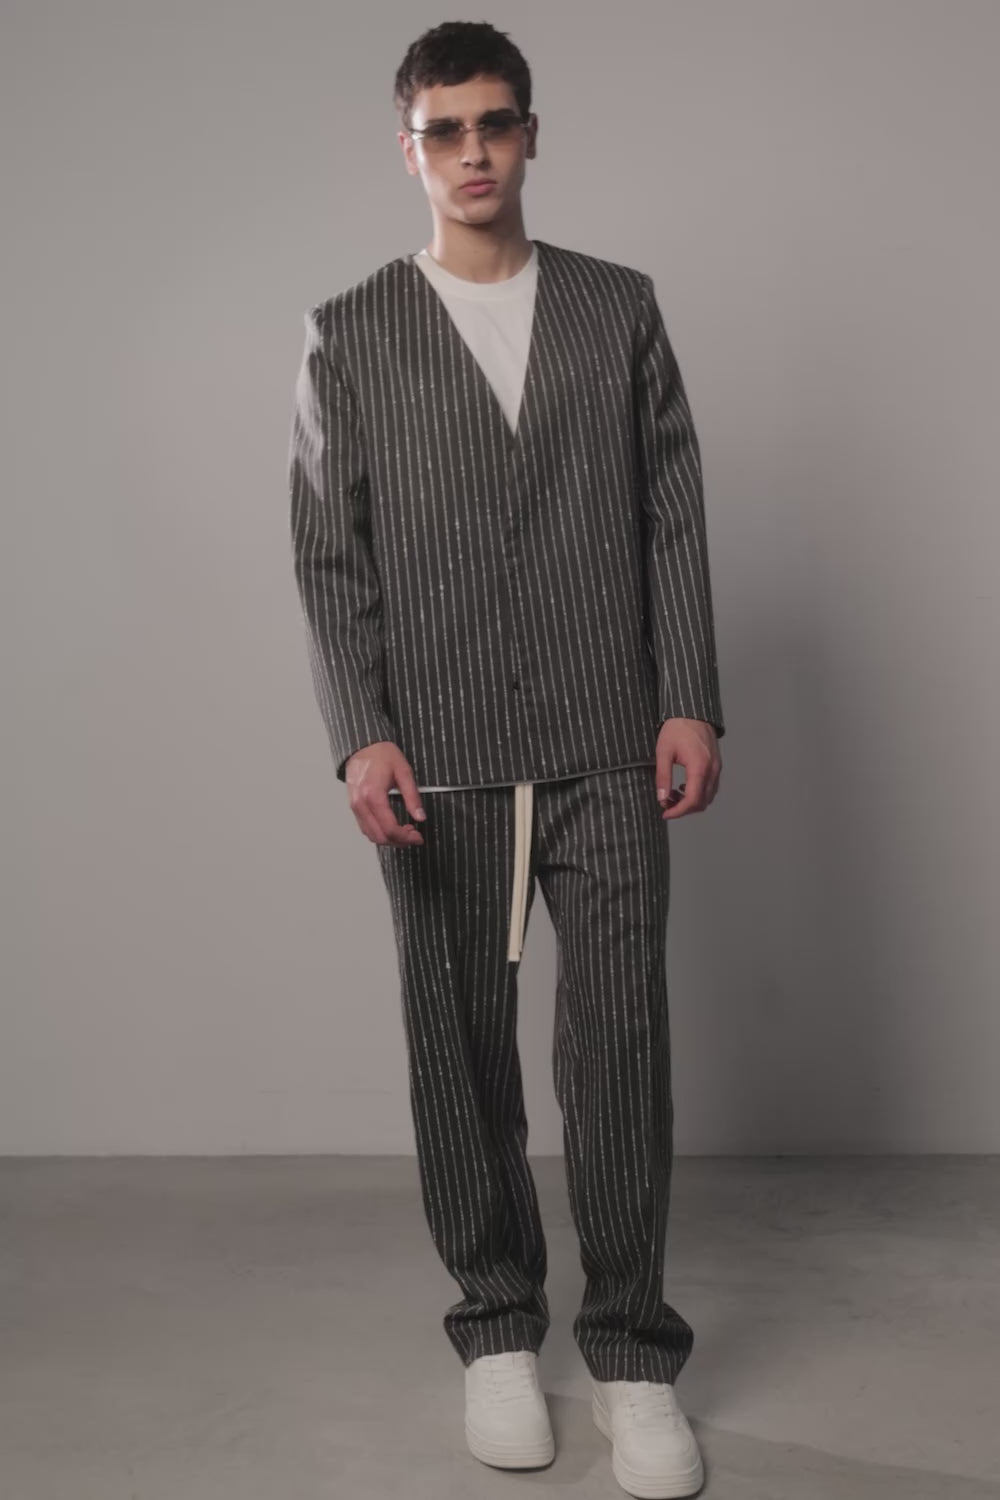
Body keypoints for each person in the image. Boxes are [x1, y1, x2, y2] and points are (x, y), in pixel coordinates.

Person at [288, 20, 724, 1498]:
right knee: (460, 1054)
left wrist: (690, 697)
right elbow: (329, 555)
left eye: (495, 123)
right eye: (444, 129)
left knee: (619, 1054)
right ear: (407, 148)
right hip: (442, 757)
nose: (472, 152)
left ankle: (634, 1356)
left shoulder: (617, 308)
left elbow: (671, 509)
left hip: (611, 739)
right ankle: (495, 1330)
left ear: (531, 133)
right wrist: (362, 732)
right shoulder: (351, 330)